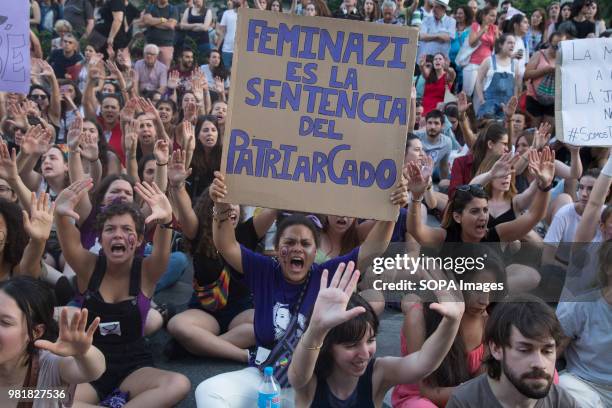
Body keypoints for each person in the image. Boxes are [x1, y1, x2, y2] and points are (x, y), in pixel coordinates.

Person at [194, 171, 407, 406]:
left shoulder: (325, 275)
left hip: (311, 385)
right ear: (277, 249)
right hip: (265, 375)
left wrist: (392, 210)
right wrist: (221, 206)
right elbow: (225, 244)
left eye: (305, 244)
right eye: (289, 242)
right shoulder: (264, 270)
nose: (297, 248)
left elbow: (373, 248)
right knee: (208, 391)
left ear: (315, 252)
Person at [55, 180, 191, 406]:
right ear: (100, 238)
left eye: (127, 229)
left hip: (134, 368)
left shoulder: (148, 271)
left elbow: (162, 247)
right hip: (89, 367)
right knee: (48, 398)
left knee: (179, 384)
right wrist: (60, 214)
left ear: (138, 240)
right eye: (110, 229)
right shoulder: (88, 267)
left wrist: (166, 220)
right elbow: (69, 243)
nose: (118, 235)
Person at [289, 261, 464, 407]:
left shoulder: (379, 373)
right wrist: (316, 330)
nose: (365, 353)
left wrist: (452, 322)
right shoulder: (310, 380)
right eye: (351, 345)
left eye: (370, 340)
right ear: (328, 345)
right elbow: (296, 377)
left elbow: (424, 363)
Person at [166, 150, 276, 362]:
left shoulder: (247, 231)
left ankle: (200, 346)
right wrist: (178, 186)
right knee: (177, 325)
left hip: (240, 310)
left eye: (235, 203)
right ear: (211, 207)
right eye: (225, 201)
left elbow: (274, 209)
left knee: (270, 323)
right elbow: (186, 211)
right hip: (205, 311)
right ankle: (242, 355)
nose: (232, 207)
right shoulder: (197, 231)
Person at [392, 250, 505, 407]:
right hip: (420, 399)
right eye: (478, 288)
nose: (485, 300)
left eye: (491, 290)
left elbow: (482, 382)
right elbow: (427, 391)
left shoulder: (488, 321)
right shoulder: (418, 317)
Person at [446, 294, 579, 407]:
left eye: (547, 351)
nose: (539, 363)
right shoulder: (465, 402)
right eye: (524, 350)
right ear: (496, 349)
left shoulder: (563, 403)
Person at [407, 146, 556, 244]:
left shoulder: (494, 235)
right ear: (458, 217)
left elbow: (534, 216)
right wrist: (416, 196)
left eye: (485, 210)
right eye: (474, 211)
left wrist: (545, 185)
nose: (483, 217)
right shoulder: (446, 237)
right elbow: (416, 231)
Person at [0, 277, 106, 408]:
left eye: (5, 322)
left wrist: (83, 353)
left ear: (36, 332)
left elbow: (94, 371)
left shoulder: (48, 365)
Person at [524, 31, 566, 127]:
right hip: (534, 97)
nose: (557, 50)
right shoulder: (539, 54)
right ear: (549, 43)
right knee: (533, 130)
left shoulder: (565, 58)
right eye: (554, 47)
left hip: (554, 98)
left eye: (560, 47)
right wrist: (545, 70)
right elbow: (526, 75)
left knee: (547, 130)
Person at [475, 34, 521, 120]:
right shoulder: (488, 61)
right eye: (509, 43)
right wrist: (481, 100)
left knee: (503, 131)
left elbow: (516, 85)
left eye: (514, 43)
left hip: (507, 107)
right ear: (500, 44)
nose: (512, 45)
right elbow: (479, 81)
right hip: (489, 105)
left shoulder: (515, 64)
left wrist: (515, 103)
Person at [463, 5, 499, 99]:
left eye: (495, 16)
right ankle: (461, 112)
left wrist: (497, 37)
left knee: (480, 96)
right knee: (467, 93)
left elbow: (496, 48)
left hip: (486, 65)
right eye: (491, 15)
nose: (494, 18)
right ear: (483, 16)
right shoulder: (476, 25)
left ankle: (476, 114)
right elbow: (472, 43)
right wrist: (483, 30)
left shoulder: (494, 28)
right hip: (473, 64)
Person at [142, 0, 180, 67]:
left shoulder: (173, 9)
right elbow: (146, 21)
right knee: (147, 69)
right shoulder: (150, 7)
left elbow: (170, 25)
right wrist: (162, 20)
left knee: (164, 71)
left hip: (166, 45)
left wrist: (152, 22)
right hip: (150, 44)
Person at [217, 0, 241, 68]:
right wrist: (217, 48)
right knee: (225, 72)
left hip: (240, 50)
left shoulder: (248, 13)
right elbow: (222, 32)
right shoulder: (227, 13)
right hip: (227, 49)